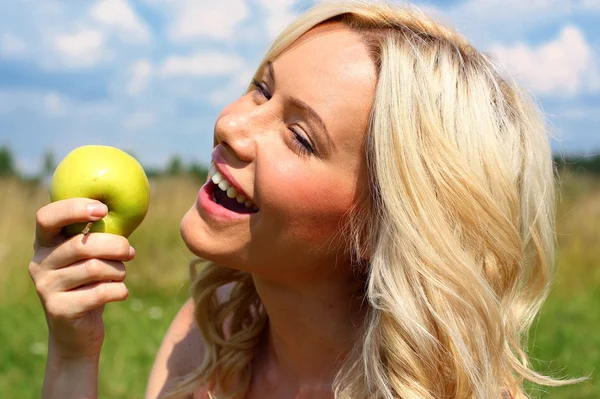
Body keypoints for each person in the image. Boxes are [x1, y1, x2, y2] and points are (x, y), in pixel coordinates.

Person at [29, 1, 579, 398]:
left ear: (383, 224)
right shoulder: (210, 336)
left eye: (300, 137)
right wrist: (75, 353)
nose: (232, 127)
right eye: (262, 90)